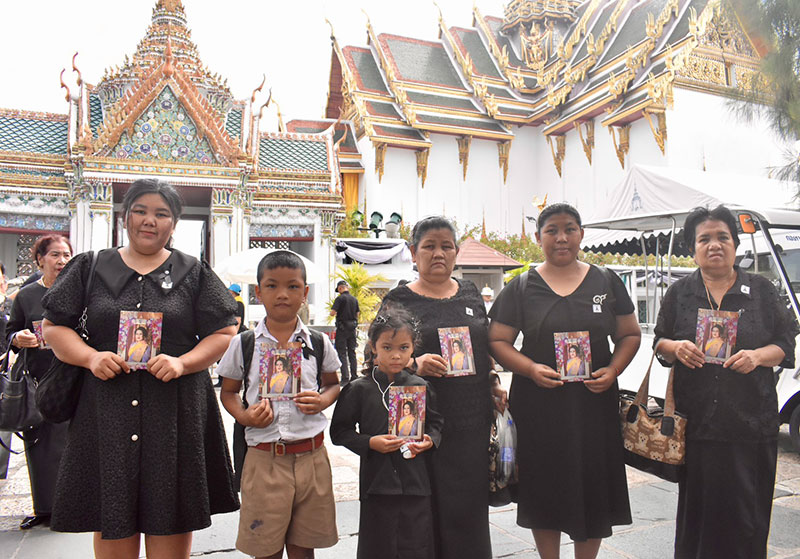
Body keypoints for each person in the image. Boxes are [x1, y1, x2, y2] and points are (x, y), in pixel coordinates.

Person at [41, 178, 240, 559]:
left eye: (161, 214)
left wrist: (183, 362)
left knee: (171, 516)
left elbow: (224, 332)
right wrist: (90, 357)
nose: (150, 221)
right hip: (106, 413)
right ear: (124, 216)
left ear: (174, 224)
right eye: (140, 211)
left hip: (175, 415)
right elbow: (54, 326)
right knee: (112, 516)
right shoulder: (91, 266)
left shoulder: (194, 272)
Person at [488, 203, 641, 559]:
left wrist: (614, 369)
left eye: (570, 229)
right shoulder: (523, 286)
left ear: (581, 234)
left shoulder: (606, 280)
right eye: (551, 230)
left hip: (594, 404)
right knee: (544, 486)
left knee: (593, 485)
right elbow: (497, 340)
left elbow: (630, 334)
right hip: (539, 405)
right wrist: (529, 369)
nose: (561, 238)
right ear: (538, 237)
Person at [653, 205, 798, 559]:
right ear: (693, 247)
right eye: (704, 239)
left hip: (750, 424)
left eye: (723, 237)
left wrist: (758, 357)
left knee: (746, 519)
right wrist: (677, 347)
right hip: (697, 425)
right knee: (699, 517)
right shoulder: (680, 293)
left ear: (735, 244)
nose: (714, 245)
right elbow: (660, 343)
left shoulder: (762, 290)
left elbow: (786, 343)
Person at [377, 216, 504, 559]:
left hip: (471, 421)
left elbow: (483, 347)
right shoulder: (398, 300)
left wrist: (493, 382)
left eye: (446, 246)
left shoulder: (470, 292)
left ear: (456, 252)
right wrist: (413, 363)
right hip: (420, 423)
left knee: (468, 509)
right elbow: (372, 357)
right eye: (429, 246)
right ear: (412, 252)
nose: (438, 253)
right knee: (424, 512)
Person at [218, 250, 341, 559]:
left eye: (293, 286)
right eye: (272, 286)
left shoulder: (318, 342)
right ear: (258, 292)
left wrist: (322, 400)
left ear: (305, 293)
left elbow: (333, 383)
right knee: (265, 547)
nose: (283, 294)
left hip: (311, 456)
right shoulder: (243, 343)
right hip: (264, 460)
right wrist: (245, 416)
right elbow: (229, 392)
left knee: (304, 547)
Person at [330, 305, 443, 559]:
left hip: (416, 483)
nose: (395, 356)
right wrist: (370, 442)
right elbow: (339, 432)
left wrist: (429, 441)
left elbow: (436, 423)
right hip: (377, 486)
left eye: (403, 348)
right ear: (373, 347)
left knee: (417, 546)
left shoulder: (421, 387)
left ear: (413, 348)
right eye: (387, 348)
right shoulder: (359, 389)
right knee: (378, 547)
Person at [6, 235, 72, 529]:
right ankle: (44, 508)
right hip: (38, 380)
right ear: (40, 259)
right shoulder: (26, 296)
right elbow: (10, 332)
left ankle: (73, 505)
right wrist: (17, 339)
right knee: (40, 445)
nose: (62, 261)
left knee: (71, 445)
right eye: (55, 255)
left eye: (67, 255)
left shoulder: (79, 292)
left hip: (73, 378)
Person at [330, 279, 360, 384]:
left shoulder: (340, 299)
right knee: (352, 352)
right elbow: (358, 314)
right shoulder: (354, 299)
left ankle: (345, 378)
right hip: (352, 329)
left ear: (340, 288)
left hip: (342, 329)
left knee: (342, 353)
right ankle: (354, 376)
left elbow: (332, 313)